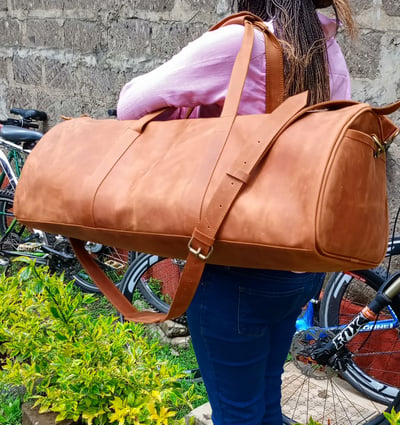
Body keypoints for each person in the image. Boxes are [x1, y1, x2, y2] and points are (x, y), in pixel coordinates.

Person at [117, 1, 356, 424]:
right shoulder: (326, 49)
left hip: (234, 263)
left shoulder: (238, 43)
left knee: (236, 412)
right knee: (265, 398)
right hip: (299, 265)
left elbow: (131, 103)